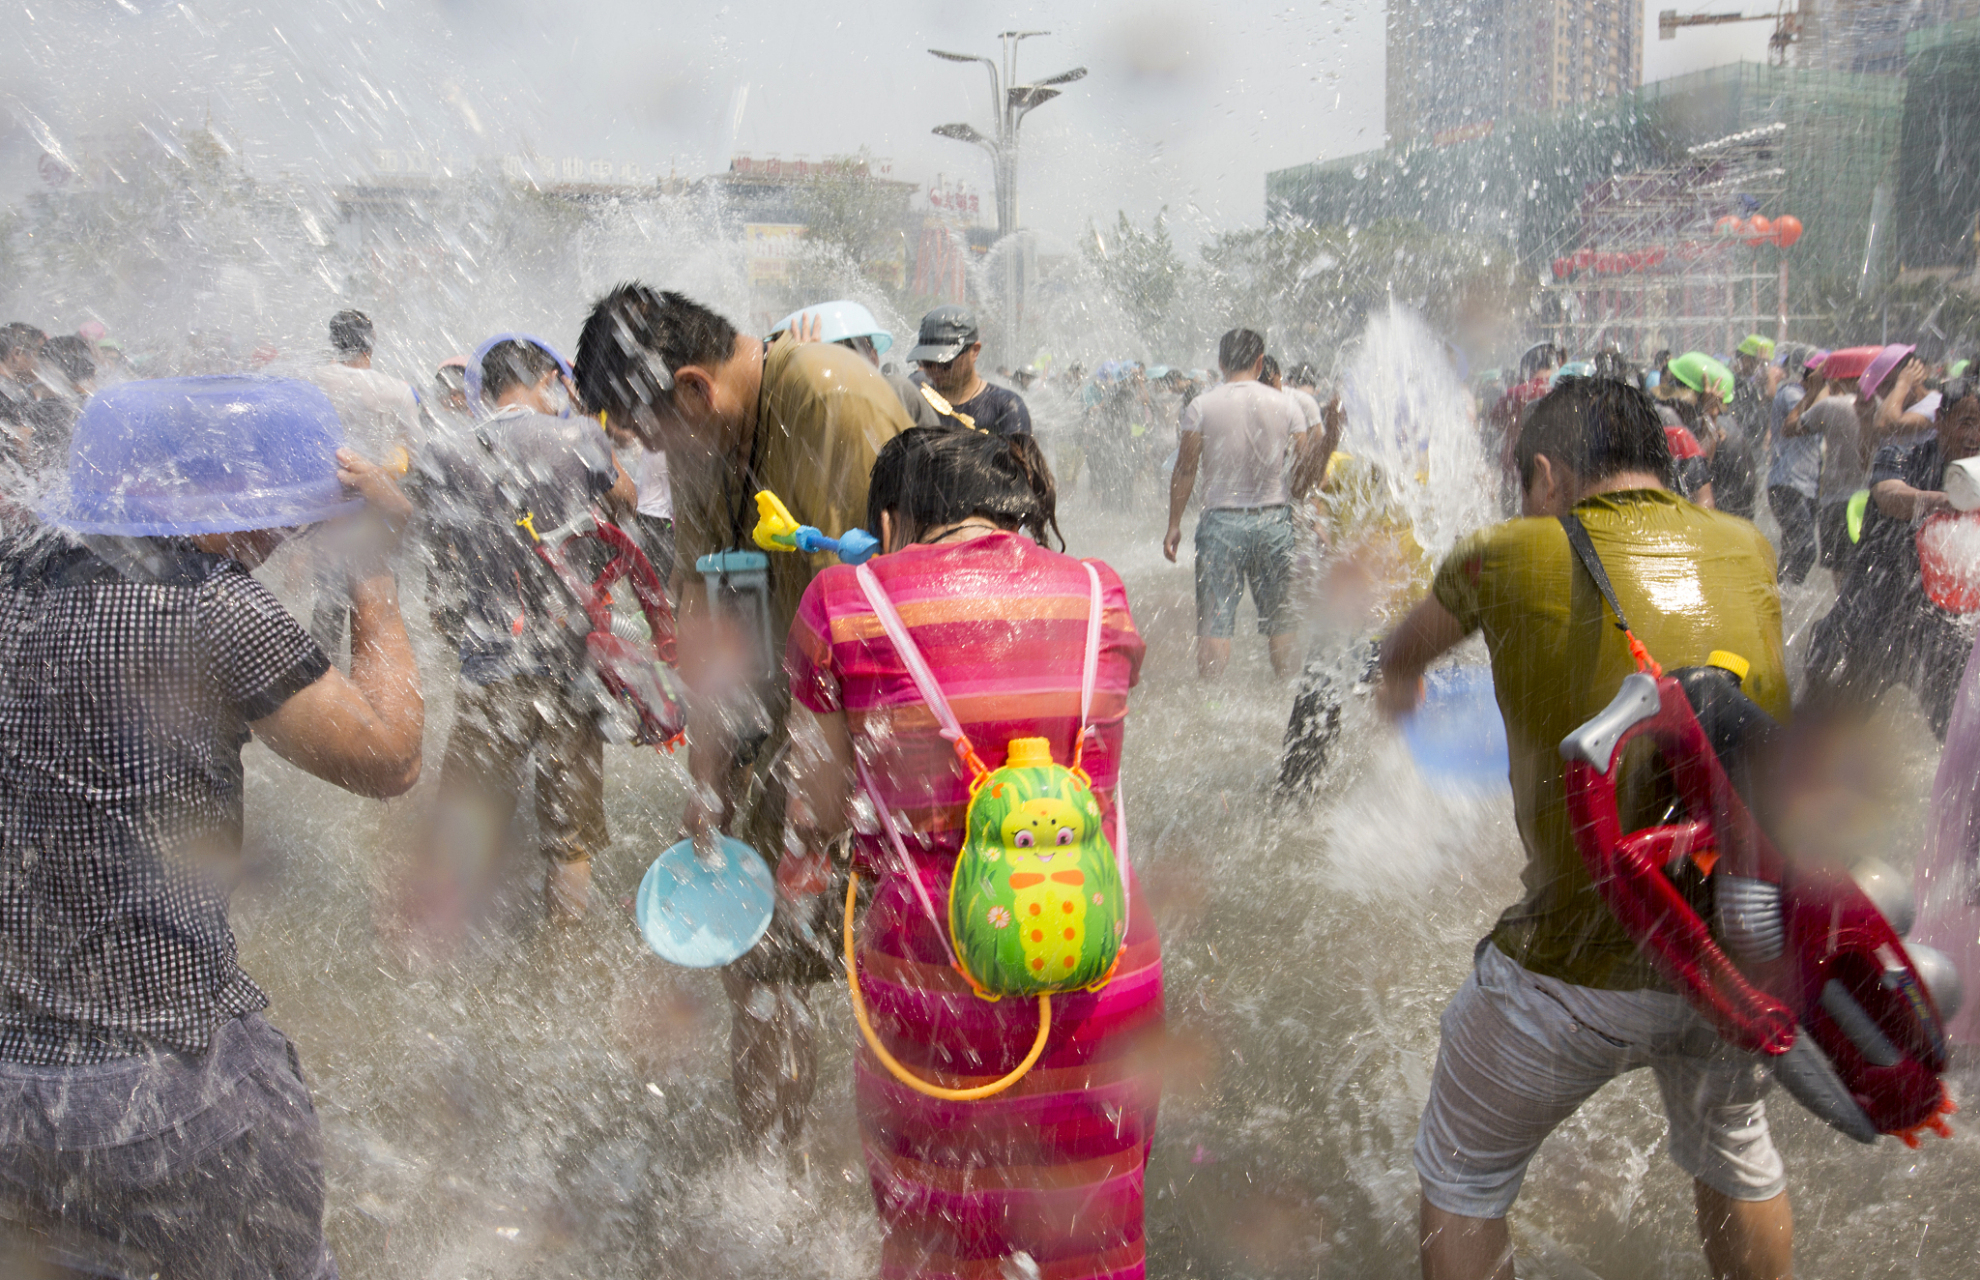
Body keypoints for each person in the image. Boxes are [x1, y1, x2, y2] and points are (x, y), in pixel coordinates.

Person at [1, 376, 421, 1274]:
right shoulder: (209, 604)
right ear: (212, 508)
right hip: (170, 1092)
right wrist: (375, 571)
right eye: (269, 517)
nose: (280, 538)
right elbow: (389, 758)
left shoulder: (14, 573)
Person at [1380, 377, 1795, 1280]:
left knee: (1463, 1173)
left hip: (1567, 976)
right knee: (1736, 1149)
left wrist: (1404, 708)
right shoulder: (1746, 545)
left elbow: (1400, 652)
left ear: (1546, 474)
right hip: (1732, 954)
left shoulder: (1508, 551)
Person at [784, 427, 1161, 1280]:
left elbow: (816, 807)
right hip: (1099, 960)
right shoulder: (1100, 591)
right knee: (1090, 1238)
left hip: (937, 973)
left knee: (940, 1245)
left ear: (890, 520)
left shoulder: (842, 599)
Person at [572, 283, 910, 1143]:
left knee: (893, 972)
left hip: (878, 748)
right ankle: (772, 1165)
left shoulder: (830, 401)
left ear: (692, 389)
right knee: (753, 966)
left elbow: (871, 626)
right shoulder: (708, 436)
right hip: (781, 730)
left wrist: (824, 805)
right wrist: (708, 784)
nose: (656, 455)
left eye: (652, 434)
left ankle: (900, 1169)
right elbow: (704, 613)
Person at [418, 337, 635, 931]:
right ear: (546, 380)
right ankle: (563, 953)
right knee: (570, 837)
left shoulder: (447, 449)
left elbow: (438, 563)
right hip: (569, 664)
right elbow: (628, 500)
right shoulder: (577, 437)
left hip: (489, 664)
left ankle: (452, 949)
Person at [1805, 376, 1980, 739]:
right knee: (1827, 732)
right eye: (1967, 422)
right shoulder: (1901, 455)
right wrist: (1951, 501)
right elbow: (1890, 497)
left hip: (1934, 627)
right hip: (1872, 613)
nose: (1975, 435)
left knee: (1956, 734)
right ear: (1939, 419)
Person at [1165, 327, 1313, 679]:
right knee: (1282, 622)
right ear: (1260, 362)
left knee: (1214, 623)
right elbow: (1304, 473)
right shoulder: (1287, 406)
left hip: (1220, 523)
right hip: (1274, 520)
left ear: (1220, 362)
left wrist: (1174, 524)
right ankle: (1286, 693)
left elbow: (1185, 470)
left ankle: (1210, 702)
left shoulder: (1201, 407)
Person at [772, 299, 948, 429]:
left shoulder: (898, 393)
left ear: (874, 357)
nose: (834, 367)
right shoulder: (787, 412)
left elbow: (940, 458)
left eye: (848, 348)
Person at [1781, 347, 1880, 576]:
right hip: (1874, 502)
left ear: (1838, 379)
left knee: (1842, 578)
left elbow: (1789, 427)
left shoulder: (1832, 406)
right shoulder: (1883, 406)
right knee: (1870, 577)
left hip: (1838, 503)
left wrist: (1814, 389)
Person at [906, 305, 1033, 436]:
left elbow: (1020, 449)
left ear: (974, 351)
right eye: (927, 362)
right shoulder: (916, 405)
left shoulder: (1006, 406)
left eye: (945, 363)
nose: (934, 370)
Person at [1764, 346, 1823, 584]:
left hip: (1805, 487)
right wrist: (1818, 391)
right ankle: (1786, 596)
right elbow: (1802, 422)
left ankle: (1777, 595)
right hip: (1787, 484)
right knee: (1805, 548)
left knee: (1793, 550)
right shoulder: (1792, 393)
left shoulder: (1809, 396)